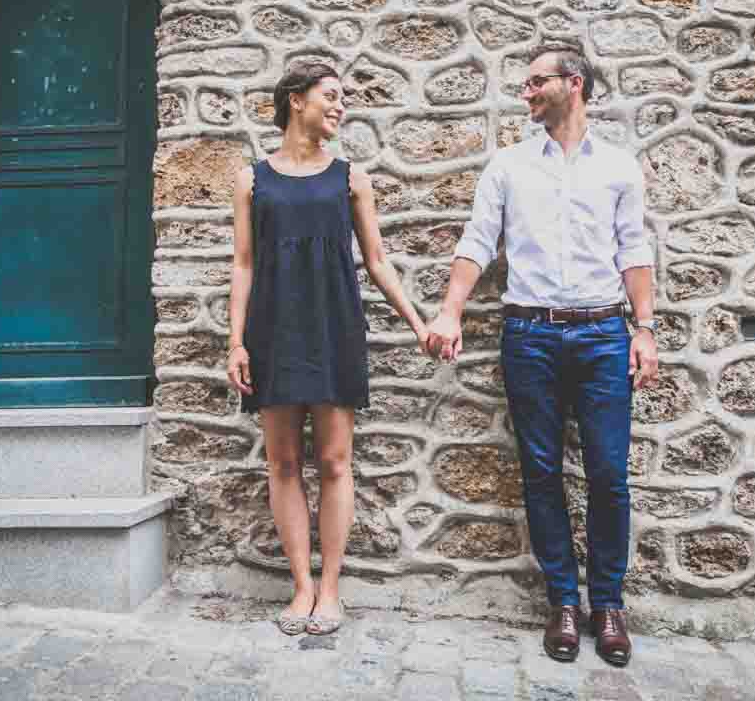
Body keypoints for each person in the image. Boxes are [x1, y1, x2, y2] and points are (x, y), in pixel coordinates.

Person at [426, 45, 658, 667]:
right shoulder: (507, 165)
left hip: (604, 334)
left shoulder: (617, 168)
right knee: (540, 470)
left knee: (608, 474)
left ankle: (607, 604)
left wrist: (646, 328)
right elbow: (477, 243)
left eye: (535, 82)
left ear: (572, 84)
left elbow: (634, 251)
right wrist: (450, 310)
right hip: (529, 335)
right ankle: (562, 600)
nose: (525, 92)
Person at [227, 63, 429, 636]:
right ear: (296, 100)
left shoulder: (350, 179)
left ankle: (332, 590)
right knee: (283, 462)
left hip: (333, 325)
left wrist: (416, 322)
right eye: (332, 97)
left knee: (336, 462)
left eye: (344, 100)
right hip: (273, 329)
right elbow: (243, 266)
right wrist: (235, 341)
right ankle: (301, 587)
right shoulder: (251, 179)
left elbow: (379, 261)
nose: (341, 107)